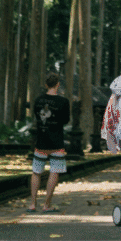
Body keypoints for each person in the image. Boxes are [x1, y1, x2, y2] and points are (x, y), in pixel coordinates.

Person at [28, 72, 70, 213]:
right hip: (57, 143)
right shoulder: (64, 102)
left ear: (46, 84)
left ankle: (32, 204)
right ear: (58, 84)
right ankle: (46, 205)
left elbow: (37, 117)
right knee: (54, 172)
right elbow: (65, 120)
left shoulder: (38, 100)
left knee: (36, 172)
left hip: (41, 142)